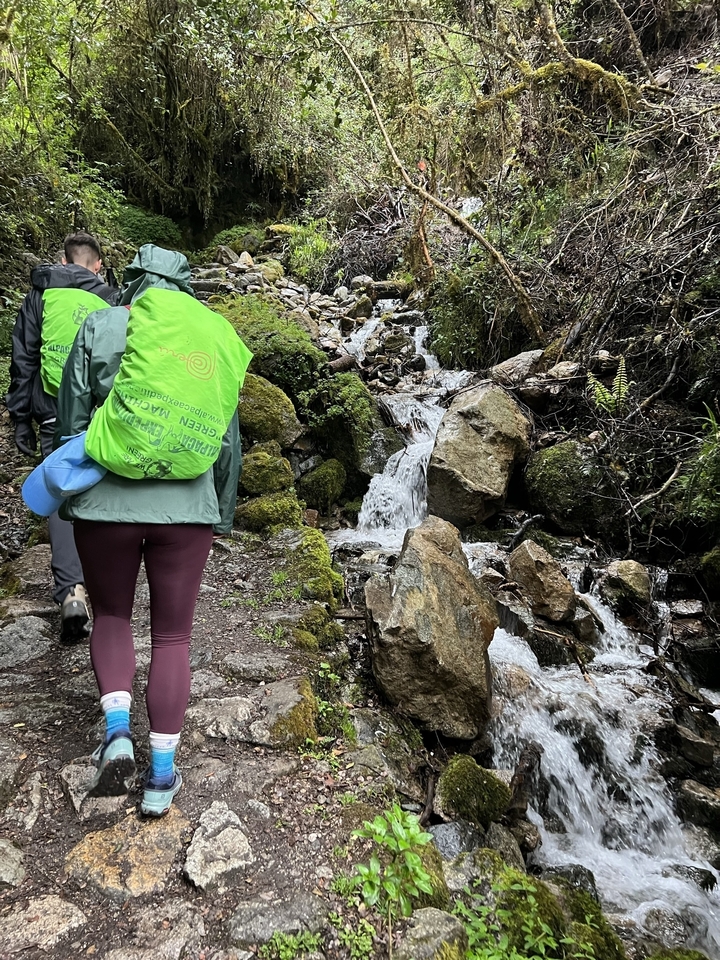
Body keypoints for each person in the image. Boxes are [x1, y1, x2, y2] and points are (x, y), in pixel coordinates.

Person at [55, 244, 251, 817]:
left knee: (112, 616)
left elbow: (70, 423)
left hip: (105, 506)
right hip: (187, 509)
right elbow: (227, 441)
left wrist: (69, 498)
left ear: (131, 281)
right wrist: (222, 513)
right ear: (186, 289)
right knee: (173, 637)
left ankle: (117, 731)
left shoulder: (101, 323)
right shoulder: (210, 336)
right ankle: (162, 777)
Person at [6, 232, 119, 640]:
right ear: (98, 265)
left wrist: (20, 418)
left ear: (63, 259)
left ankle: (71, 589)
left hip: (51, 406)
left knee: (60, 487)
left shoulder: (41, 293)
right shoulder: (108, 296)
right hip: (98, 407)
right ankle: (107, 590)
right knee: (102, 484)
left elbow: (24, 357)